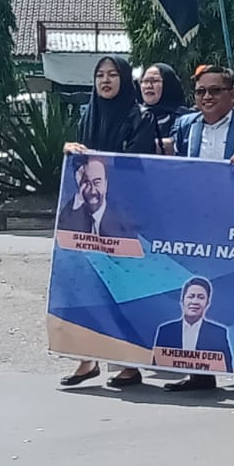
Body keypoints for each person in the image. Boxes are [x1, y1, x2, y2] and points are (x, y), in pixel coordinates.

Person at [163, 67, 234, 393]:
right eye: (201, 92)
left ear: (233, 93)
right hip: (195, 226)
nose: (207, 97)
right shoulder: (184, 126)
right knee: (196, 295)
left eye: (215, 91)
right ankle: (200, 371)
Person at [58, 55, 157, 389]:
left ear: (124, 79)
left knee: (122, 290)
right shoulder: (89, 115)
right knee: (89, 288)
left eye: (113, 75)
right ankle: (87, 360)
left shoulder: (140, 117)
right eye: (100, 75)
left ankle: (127, 365)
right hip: (88, 218)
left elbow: (137, 165)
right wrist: (71, 150)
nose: (106, 81)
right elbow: (79, 163)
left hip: (124, 219)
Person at [151, 276, 232, 371]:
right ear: (182, 300)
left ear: (207, 303)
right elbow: (157, 365)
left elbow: (226, 368)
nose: (195, 302)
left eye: (201, 297)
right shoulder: (166, 330)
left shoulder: (218, 332)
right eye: (191, 296)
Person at [56, 156, 133, 237]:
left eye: (97, 183)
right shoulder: (74, 210)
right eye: (87, 183)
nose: (93, 191)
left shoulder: (121, 218)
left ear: (106, 184)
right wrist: (79, 200)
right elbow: (62, 237)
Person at [139, 62, 191, 147]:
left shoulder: (184, 119)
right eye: (145, 81)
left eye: (154, 81)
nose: (148, 86)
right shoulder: (135, 115)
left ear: (169, 84)